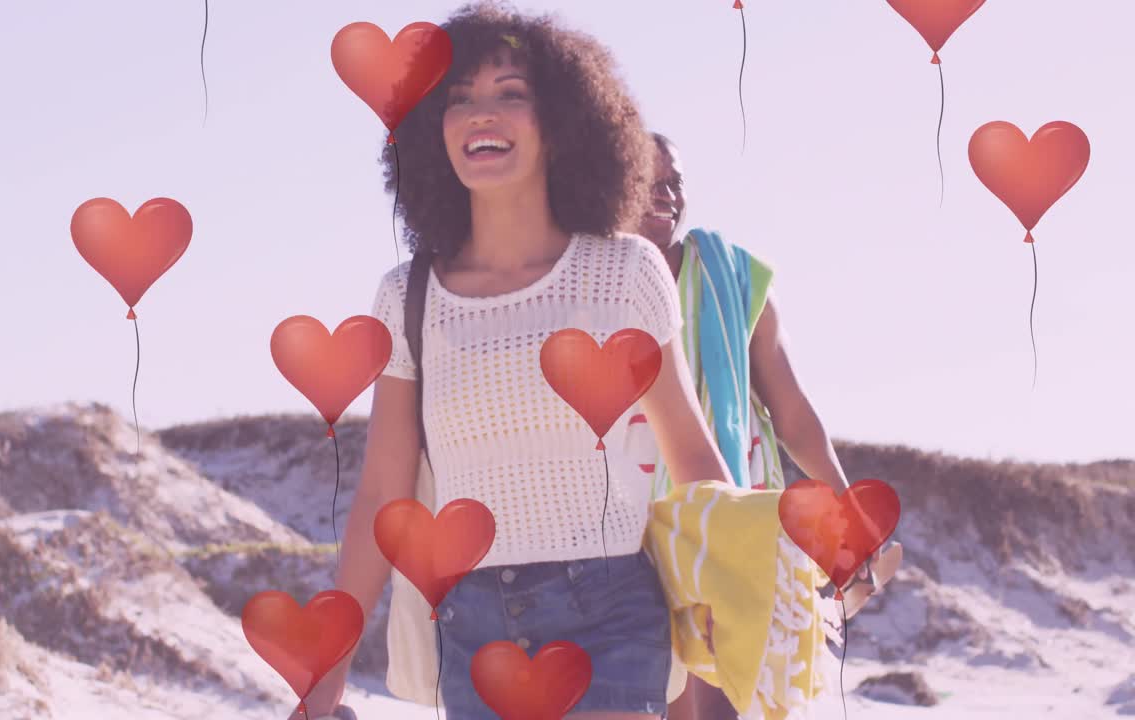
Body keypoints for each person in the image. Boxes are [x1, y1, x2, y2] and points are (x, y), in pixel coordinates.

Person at [291, 4, 734, 719]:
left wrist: (729, 604)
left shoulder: (626, 273)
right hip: (473, 629)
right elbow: (379, 496)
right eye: (459, 98)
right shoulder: (407, 297)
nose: (480, 114)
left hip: (612, 611)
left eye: (510, 94)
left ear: (561, 124)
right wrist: (327, 674)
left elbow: (690, 451)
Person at [631, 132, 899, 719]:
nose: (666, 196)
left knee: (727, 695)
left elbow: (794, 415)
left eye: (674, 183)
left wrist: (847, 512)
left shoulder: (735, 280)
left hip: (732, 518)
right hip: (628, 523)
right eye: (647, 182)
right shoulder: (587, 281)